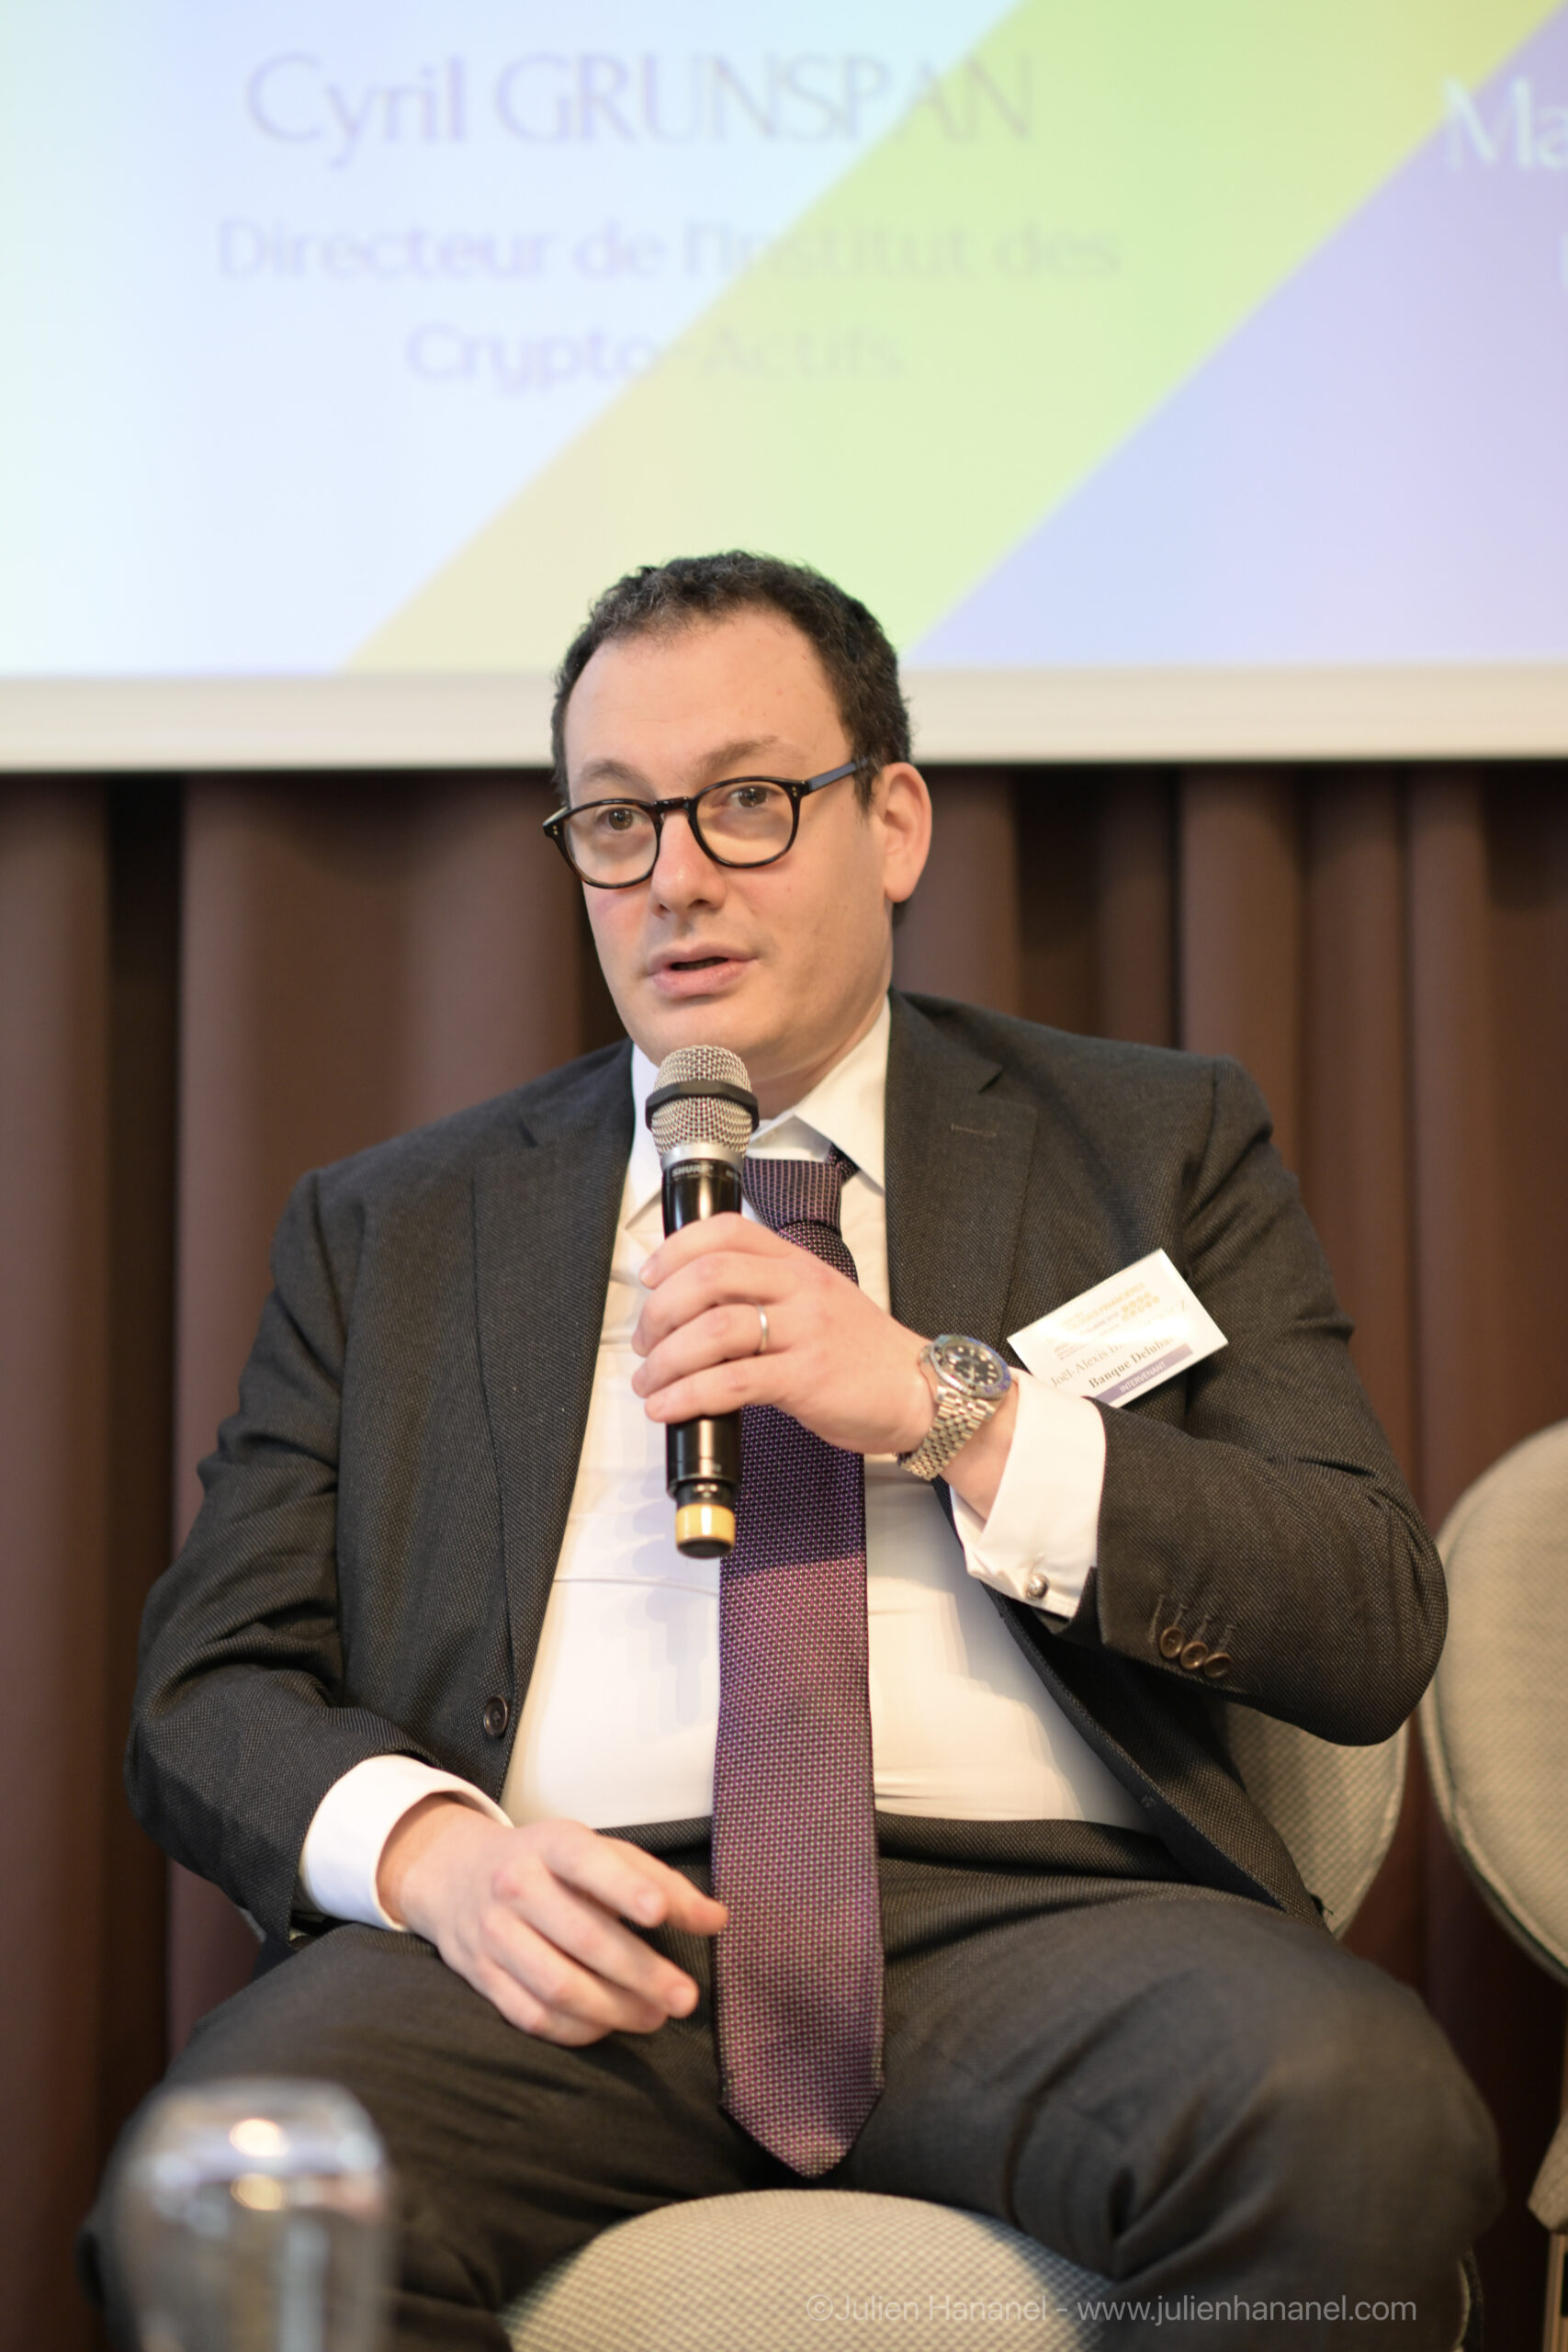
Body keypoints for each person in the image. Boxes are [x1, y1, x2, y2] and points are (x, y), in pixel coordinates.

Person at [85, 554, 1497, 2347]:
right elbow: (207, 1687)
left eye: (745, 801)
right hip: (555, 1937)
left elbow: (1362, 1615)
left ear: (892, 821)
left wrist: (945, 1403)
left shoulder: (1152, 1143)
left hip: (1041, 1926)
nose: (675, 876)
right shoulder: (395, 1229)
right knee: (234, 2193)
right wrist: (438, 1856)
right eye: (616, 821)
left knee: (1352, 2120)